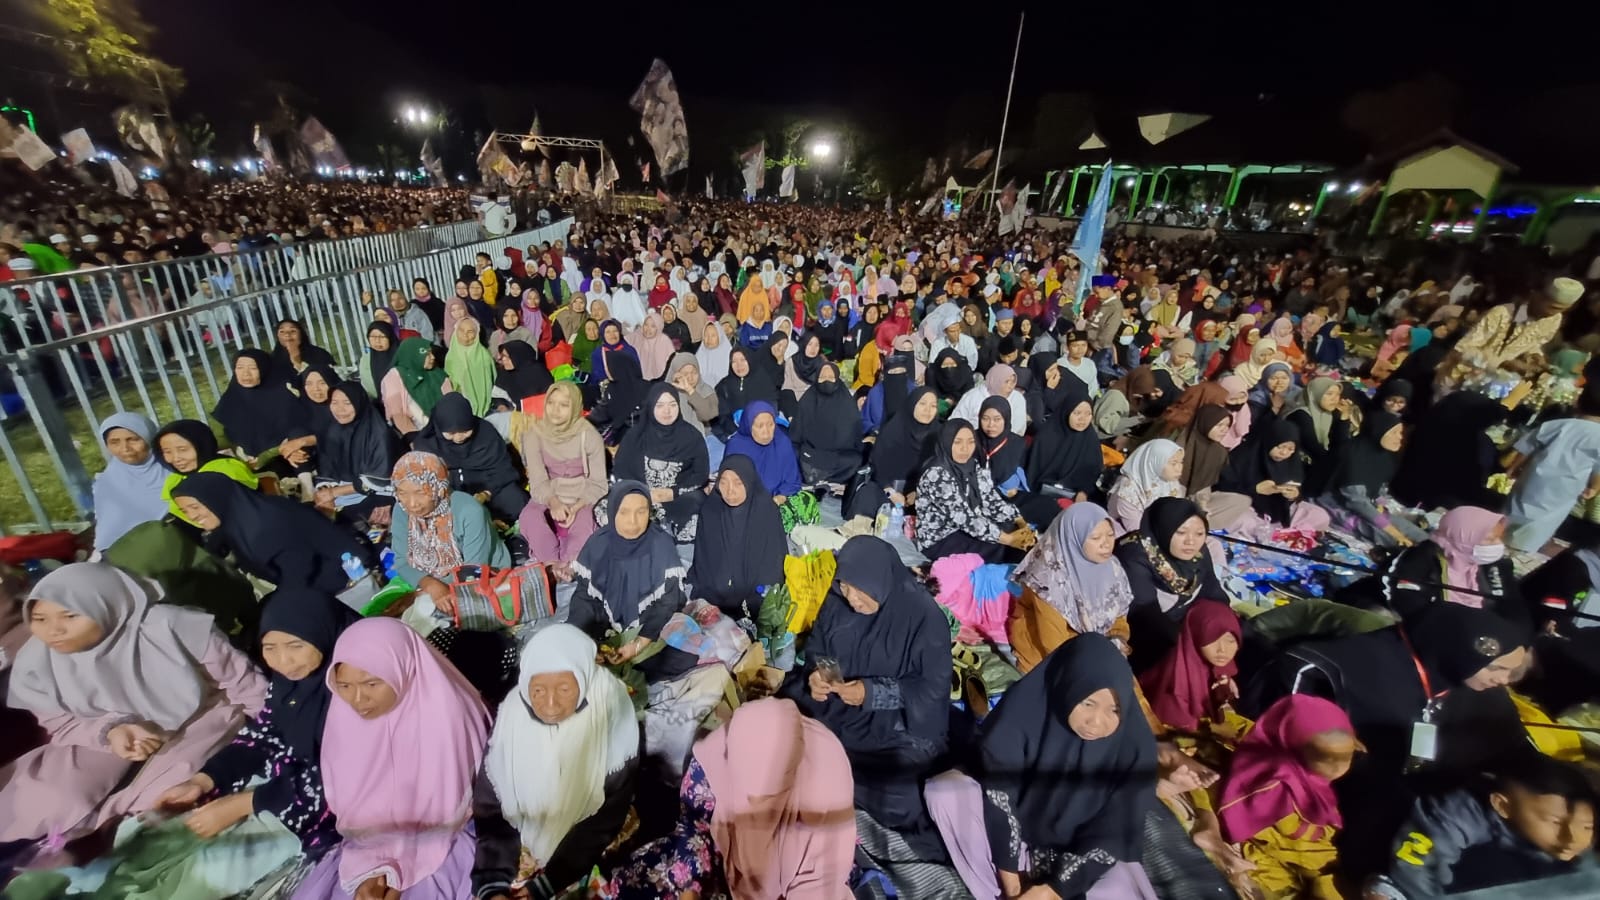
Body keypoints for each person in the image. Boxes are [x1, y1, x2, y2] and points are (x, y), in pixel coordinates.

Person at [0, 563, 267, 842]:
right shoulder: (37, 663)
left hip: (200, 714)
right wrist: (112, 730)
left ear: (105, 606)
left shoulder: (171, 628)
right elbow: (61, 723)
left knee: (169, 793)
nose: (54, 630)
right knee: (50, 801)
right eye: (40, 619)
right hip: (99, 734)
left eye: (69, 616)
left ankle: (112, 829)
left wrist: (267, 732)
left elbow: (242, 682)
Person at [927, 634, 1158, 900]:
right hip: (1013, 838)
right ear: (1067, 687)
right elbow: (1000, 796)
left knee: (1124, 883)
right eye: (1088, 703)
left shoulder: (1135, 748)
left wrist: (1052, 890)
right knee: (945, 793)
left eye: (1114, 710)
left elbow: (1114, 832)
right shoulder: (1024, 712)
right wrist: (1014, 888)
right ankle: (995, 895)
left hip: (1081, 857)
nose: (1096, 722)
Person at [293, 618, 490, 900]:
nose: (358, 699)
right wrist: (373, 868)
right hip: (366, 849)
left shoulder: (445, 713)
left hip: (445, 839)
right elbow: (355, 809)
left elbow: (442, 809)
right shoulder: (344, 720)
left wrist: (394, 868)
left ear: (403, 668)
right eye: (345, 685)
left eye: (372, 683)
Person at [158, 588, 359, 858]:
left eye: (296, 646)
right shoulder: (289, 685)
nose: (283, 661)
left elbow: (351, 773)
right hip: (291, 786)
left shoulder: (360, 680)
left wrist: (245, 804)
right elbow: (263, 735)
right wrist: (205, 780)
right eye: (270, 648)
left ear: (321, 632)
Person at [785, 536, 952, 860]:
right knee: (781, 720)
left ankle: (834, 777)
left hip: (892, 725)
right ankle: (831, 775)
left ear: (881, 580)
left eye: (860, 590)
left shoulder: (924, 619)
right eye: (845, 586)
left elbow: (931, 690)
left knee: (901, 793)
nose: (851, 598)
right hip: (837, 706)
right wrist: (818, 676)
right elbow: (819, 648)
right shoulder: (838, 600)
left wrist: (871, 692)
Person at [607, 698, 857, 900]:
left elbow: (819, 886)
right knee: (654, 876)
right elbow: (695, 822)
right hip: (718, 836)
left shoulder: (825, 800)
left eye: (759, 796)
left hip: (774, 882)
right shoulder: (735, 742)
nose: (748, 801)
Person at [567, 482, 724, 777]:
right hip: (608, 629)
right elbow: (585, 599)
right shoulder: (598, 544)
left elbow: (665, 605)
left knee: (681, 654)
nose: (633, 521)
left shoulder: (660, 544)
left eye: (641, 512)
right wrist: (587, 642)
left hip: (645, 630)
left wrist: (637, 644)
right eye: (624, 512)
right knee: (573, 651)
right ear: (612, 513)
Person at [474, 625, 641, 900]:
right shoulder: (513, 716)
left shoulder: (609, 705)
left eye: (564, 689)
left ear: (584, 678)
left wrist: (550, 882)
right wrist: (492, 882)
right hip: (525, 841)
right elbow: (491, 806)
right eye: (538, 690)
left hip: (587, 845)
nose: (550, 705)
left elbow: (606, 814)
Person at [1371, 755, 1599, 899]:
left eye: (1587, 826)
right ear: (1502, 806)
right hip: (1419, 869)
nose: (1573, 838)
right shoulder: (1459, 816)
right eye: (1555, 822)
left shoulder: (1560, 834)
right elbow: (1413, 864)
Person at [1216, 695, 1357, 899]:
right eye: (1325, 757)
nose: (1337, 766)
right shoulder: (1277, 786)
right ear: (1294, 744)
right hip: (1284, 859)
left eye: (1347, 756)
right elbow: (1297, 846)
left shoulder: (1307, 773)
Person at [171, 471, 374, 594]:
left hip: (342, 580)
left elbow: (298, 576)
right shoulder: (239, 516)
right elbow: (213, 550)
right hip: (308, 582)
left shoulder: (267, 525)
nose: (192, 516)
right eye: (185, 511)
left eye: (195, 507)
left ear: (215, 499)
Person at [1007, 502, 1137, 674]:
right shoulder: (1047, 578)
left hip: (1095, 649)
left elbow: (1118, 615)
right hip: (1052, 658)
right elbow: (1052, 642)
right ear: (1072, 539)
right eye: (1095, 538)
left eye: (1110, 535)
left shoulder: (1111, 567)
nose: (1106, 544)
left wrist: (1118, 637)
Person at [389, 451, 511, 617]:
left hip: (482, 575)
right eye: (402, 493)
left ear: (438, 488)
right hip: (432, 582)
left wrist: (430, 592)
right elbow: (402, 562)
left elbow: (473, 570)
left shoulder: (469, 511)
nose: (412, 504)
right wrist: (430, 585)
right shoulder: (401, 510)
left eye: (421, 493)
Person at [1114, 498, 1229, 672]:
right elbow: (1145, 615)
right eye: (1181, 532)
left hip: (1181, 625)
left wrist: (1226, 628)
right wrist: (1192, 645)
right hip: (1145, 635)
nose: (1191, 541)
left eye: (1199, 533)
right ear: (1164, 529)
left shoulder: (1198, 553)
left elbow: (1212, 592)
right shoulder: (1134, 555)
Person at [915, 420, 1032, 563]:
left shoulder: (972, 465)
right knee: (1002, 548)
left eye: (971, 442)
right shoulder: (936, 475)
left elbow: (990, 499)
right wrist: (1008, 539)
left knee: (1013, 531)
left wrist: (1019, 521)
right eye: (957, 442)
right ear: (946, 442)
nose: (965, 449)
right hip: (941, 538)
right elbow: (964, 518)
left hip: (969, 525)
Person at [689, 455, 787, 623]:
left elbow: (772, 565)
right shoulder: (711, 509)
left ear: (749, 482)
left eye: (738, 483)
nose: (730, 491)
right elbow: (703, 558)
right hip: (719, 589)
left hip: (755, 589)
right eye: (724, 482)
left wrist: (750, 598)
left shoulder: (766, 511)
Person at [518, 382, 607, 567]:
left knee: (585, 523)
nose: (555, 410)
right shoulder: (534, 434)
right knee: (529, 516)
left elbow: (598, 483)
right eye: (551, 403)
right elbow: (537, 480)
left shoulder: (589, 436)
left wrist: (576, 507)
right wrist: (554, 502)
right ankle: (550, 562)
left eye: (564, 405)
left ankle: (569, 564)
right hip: (549, 492)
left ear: (575, 407)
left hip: (582, 494)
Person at [1503, 382, 1600, 552]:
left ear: (1579, 402)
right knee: (1545, 521)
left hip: (1534, 479)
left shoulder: (1559, 424)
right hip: (1566, 487)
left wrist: (1514, 468)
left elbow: (1527, 446)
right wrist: (1593, 488)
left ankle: (1499, 537)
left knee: (1516, 509)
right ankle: (1525, 548)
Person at [411, 393, 530, 523]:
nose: (458, 438)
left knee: (517, 501)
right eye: (451, 433)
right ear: (439, 427)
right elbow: (425, 483)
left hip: (490, 490)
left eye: (465, 431)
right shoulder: (427, 445)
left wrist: (486, 494)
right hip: (450, 497)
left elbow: (503, 469)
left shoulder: (485, 433)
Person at [613, 384, 710, 542]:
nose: (667, 411)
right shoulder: (635, 436)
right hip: (640, 496)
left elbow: (701, 474)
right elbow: (621, 472)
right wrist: (642, 493)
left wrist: (673, 492)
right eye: (660, 405)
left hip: (677, 498)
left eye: (672, 405)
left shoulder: (692, 436)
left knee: (698, 503)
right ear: (651, 407)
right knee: (612, 505)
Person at [1318, 410, 1428, 549]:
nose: (1399, 438)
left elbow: (1378, 490)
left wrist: (1381, 509)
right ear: (1379, 431)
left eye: (1400, 433)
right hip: (1335, 503)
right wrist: (1395, 533)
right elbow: (1356, 503)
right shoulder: (1354, 456)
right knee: (1390, 539)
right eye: (1394, 433)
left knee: (1420, 537)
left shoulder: (1385, 457)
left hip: (1366, 505)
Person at [1139, 601, 1245, 735]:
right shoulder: (1176, 683)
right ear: (1195, 637)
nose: (1222, 650)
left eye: (1230, 640)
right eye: (1211, 639)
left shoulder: (1216, 664)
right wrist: (1218, 730)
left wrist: (1224, 694)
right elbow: (1176, 736)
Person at [312, 381, 398, 524]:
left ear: (359, 403)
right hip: (343, 493)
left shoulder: (379, 433)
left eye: (347, 403)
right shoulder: (332, 431)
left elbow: (377, 481)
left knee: (347, 519)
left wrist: (333, 493)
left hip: (378, 492)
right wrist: (324, 494)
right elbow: (326, 471)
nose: (340, 409)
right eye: (335, 403)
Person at [1450, 276, 1583, 369]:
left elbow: (1533, 344)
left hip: (1500, 383)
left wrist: (1535, 356)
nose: (1553, 313)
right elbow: (1463, 349)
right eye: (1552, 307)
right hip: (1464, 377)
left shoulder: (1554, 320)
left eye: (1562, 310)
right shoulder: (1502, 313)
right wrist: (1502, 363)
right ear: (1536, 296)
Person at [210, 348, 303, 470]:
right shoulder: (231, 398)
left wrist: (266, 456)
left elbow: (299, 432)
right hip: (241, 463)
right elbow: (220, 439)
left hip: (283, 457)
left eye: (253, 368)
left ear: (264, 369)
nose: (246, 374)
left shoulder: (285, 398)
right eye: (240, 368)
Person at [155, 419, 261, 524]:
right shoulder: (175, 479)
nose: (176, 458)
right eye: (167, 452)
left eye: (182, 449)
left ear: (202, 446)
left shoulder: (225, 469)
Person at [92, 412, 168, 551]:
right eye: (114, 442)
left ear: (150, 439)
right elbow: (106, 530)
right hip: (117, 552)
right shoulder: (107, 482)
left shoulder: (174, 472)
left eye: (133, 439)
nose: (125, 448)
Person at [1025, 379, 1104, 504]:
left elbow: (1093, 472)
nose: (1082, 419)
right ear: (1067, 412)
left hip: (1079, 497)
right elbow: (1034, 474)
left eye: (1088, 414)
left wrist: (1084, 491)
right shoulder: (1046, 436)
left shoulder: (1090, 439)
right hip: (1044, 494)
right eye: (1077, 413)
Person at [791, 361, 864, 488]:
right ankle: (820, 478)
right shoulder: (808, 399)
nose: (826, 381)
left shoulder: (846, 402)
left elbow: (854, 438)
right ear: (816, 379)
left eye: (830, 378)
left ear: (837, 378)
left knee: (855, 459)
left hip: (836, 456)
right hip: (810, 453)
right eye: (822, 377)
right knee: (792, 451)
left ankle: (820, 478)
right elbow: (796, 435)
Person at [724, 400, 804, 507]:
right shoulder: (736, 447)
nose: (766, 432)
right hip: (746, 503)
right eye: (759, 426)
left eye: (771, 425)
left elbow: (792, 480)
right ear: (748, 425)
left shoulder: (781, 442)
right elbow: (731, 485)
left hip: (777, 501)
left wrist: (781, 496)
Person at [1283, 376, 1352, 495]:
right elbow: (1315, 449)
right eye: (1329, 394)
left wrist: (1344, 418)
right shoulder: (1300, 415)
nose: (1334, 399)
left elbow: (1340, 444)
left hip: (1316, 463)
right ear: (1315, 394)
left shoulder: (1330, 414)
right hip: (1294, 465)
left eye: (1337, 394)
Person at [1107, 438, 1184, 536]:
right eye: (1173, 463)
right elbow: (1137, 530)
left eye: (1181, 462)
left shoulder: (1170, 483)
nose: (1179, 468)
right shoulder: (1128, 491)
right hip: (1129, 536)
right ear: (1154, 462)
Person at [385, 337, 452, 435]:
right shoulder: (394, 377)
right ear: (413, 355)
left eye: (431, 353)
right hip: (419, 435)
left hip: (448, 431)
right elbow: (398, 414)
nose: (432, 357)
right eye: (427, 354)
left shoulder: (436, 373)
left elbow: (451, 399)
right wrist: (415, 440)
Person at [712, 348, 780, 441]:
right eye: (734, 361)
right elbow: (721, 416)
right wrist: (736, 432)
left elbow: (772, 410)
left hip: (763, 432)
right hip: (734, 434)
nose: (739, 365)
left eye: (743, 360)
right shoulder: (724, 385)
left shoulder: (763, 380)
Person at [951, 363, 1027, 436]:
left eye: (1013, 382)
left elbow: (1018, 427)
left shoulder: (1017, 398)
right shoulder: (973, 396)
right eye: (1006, 382)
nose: (1010, 386)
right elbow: (956, 421)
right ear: (995, 381)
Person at [445, 316, 497, 416]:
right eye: (461, 330)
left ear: (477, 334)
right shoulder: (450, 356)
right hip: (457, 405)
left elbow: (489, 384)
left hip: (483, 408)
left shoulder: (484, 356)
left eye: (470, 331)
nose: (465, 335)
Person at [495, 339, 554, 411]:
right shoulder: (504, 373)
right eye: (502, 356)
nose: (502, 359)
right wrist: (501, 405)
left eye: (506, 356)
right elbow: (499, 395)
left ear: (517, 357)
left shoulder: (539, 374)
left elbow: (549, 397)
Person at [270, 318, 336, 375]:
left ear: (301, 334)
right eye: (282, 332)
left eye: (293, 331)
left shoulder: (319, 354)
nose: (287, 334)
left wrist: (297, 361)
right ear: (277, 336)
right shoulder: (272, 359)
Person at [357, 321, 400, 404]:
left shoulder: (401, 354)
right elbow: (366, 383)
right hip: (378, 404)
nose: (377, 341)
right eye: (373, 337)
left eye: (382, 337)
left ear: (390, 337)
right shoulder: (366, 358)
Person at [628, 311, 676, 380]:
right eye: (646, 325)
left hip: (660, 380)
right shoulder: (637, 336)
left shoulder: (664, 341)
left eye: (653, 326)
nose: (648, 329)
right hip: (636, 380)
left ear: (658, 327)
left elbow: (672, 363)